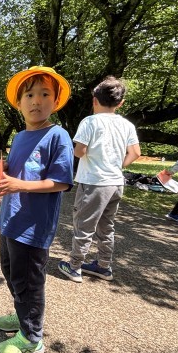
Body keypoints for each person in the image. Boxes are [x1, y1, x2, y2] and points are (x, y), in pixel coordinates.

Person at [0, 66, 74, 353]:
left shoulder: (58, 136)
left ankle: (31, 338)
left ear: (56, 100)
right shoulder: (20, 136)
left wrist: (20, 184)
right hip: (11, 219)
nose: (36, 101)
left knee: (29, 281)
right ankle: (21, 315)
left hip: (33, 226)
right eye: (29, 95)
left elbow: (61, 182)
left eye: (44, 94)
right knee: (11, 273)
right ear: (18, 103)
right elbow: (18, 172)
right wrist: (4, 175)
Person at [57, 76, 140, 283]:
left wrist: (78, 152)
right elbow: (135, 153)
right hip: (115, 183)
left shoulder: (90, 122)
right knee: (106, 226)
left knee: (84, 225)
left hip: (94, 182)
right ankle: (104, 266)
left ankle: (74, 267)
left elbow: (80, 151)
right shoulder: (127, 125)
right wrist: (118, 165)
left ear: (94, 100)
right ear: (120, 103)